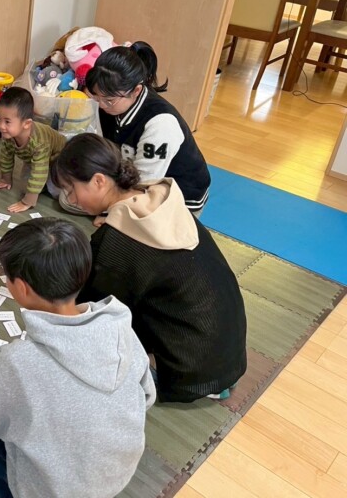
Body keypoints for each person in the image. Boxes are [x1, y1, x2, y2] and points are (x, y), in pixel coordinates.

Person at [0, 218, 155, 498]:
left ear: (22, 288)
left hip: (56, 491)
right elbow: (147, 396)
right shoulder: (120, 325)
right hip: (116, 473)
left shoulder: (19, 361)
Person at [54, 133, 247, 402]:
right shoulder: (158, 198)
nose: (71, 199)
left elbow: (95, 307)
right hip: (228, 352)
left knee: (89, 348)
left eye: (71, 189)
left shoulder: (117, 241)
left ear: (99, 181)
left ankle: (174, 379)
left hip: (191, 371)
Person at [60, 41, 210, 215]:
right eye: (96, 97)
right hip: (131, 177)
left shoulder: (160, 124)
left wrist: (114, 214)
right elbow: (107, 155)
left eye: (109, 100)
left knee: (75, 201)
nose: (101, 105)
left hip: (177, 198)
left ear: (137, 90)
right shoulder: (110, 103)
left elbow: (145, 185)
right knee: (70, 196)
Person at [0, 87, 66, 212]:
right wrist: (6, 179)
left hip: (59, 159)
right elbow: (6, 156)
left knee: (56, 193)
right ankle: (43, 185)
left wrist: (27, 202)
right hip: (34, 159)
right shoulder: (8, 134)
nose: (1, 126)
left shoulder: (39, 142)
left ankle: (52, 182)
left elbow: (39, 171)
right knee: (25, 188)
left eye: (7, 122)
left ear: (26, 123)